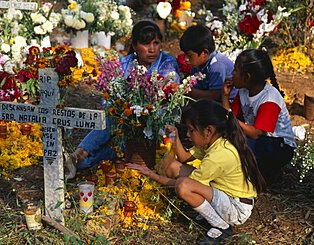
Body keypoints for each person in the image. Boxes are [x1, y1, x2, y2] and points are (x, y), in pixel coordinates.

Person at [127, 99, 266, 243]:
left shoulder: (220, 155)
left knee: (183, 186)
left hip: (236, 208)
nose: (188, 134)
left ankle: (221, 226)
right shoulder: (214, 141)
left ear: (208, 130)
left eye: (191, 130)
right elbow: (185, 158)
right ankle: (209, 214)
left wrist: (151, 175)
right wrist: (175, 137)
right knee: (173, 167)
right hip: (225, 194)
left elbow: (183, 184)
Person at [65, 21, 180, 178]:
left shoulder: (166, 63)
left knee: (117, 145)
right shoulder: (123, 64)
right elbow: (110, 101)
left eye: (156, 43)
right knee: (112, 118)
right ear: (134, 45)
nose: (152, 49)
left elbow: (168, 91)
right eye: (146, 44)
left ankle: (79, 157)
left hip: (154, 124)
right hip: (125, 123)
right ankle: (78, 156)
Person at [221, 49, 296, 185]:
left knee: (236, 144)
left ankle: (266, 173)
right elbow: (232, 114)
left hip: (279, 146)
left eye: (235, 70)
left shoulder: (269, 98)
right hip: (260, 141)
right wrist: (225, 96)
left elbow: (256, 133)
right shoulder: (244, 91)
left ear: (247, 77)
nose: (232, 74)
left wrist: (229, 118)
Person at [177, 24, 235, 101]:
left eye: (189, 55)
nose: (186, 59)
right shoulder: (197, 64)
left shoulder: (217, 65)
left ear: (204, 53)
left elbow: (215, 96)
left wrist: (185, 90)